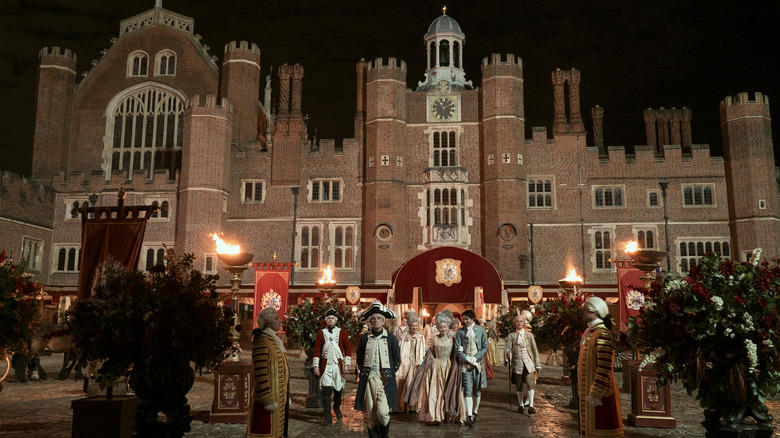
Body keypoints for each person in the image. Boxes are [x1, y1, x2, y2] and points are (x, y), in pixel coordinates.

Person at [354, 301, 401, 438]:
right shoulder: (364, 338)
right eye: (373, 318)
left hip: (384, 380)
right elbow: (360, 357)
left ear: (383, 321)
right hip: (369, 378)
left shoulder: (391, 339)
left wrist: (391, 374)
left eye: (378, 318)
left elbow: (396, 359)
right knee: (371, 413)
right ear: (370, 321)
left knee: (383, 412)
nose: (375, 321)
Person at [578, 297, 623, 437]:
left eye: (585, 310)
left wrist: (595, 393)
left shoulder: (602, 333)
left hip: (600, 395)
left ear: (595, 313)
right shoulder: (592, 332)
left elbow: (604, 367)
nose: (583, 313)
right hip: (589, 393)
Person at [248, 307, 289, 438]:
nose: (280, 321)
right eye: (277, 318)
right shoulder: (263, 341)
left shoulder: (273, 341)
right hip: (267, 401)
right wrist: (268, 399)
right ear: (269, 322)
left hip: (278, 398)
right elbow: (260, 372)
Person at [312, 308, 351, 426]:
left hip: (338, 366)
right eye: (328, 318)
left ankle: (337, 407)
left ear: (336, 320)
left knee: (338, 390)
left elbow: (348, 348)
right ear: (326, 320)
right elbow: (317, 350)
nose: (331, 320)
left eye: (333, 318)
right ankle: (327, 417)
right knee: (326, 392)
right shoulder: (321, 333)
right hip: (326, 366)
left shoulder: (342, 332)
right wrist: (316, 366)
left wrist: (347, 364)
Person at [418, 312, 458, 425]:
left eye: (445, 327)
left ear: (448, 327)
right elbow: (430, 353)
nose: (443, 329)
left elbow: (454, 354)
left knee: (448, 389)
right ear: (438, 328)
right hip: (436, 365)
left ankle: (447, 414)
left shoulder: (452, 338)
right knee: (436, 391)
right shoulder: (435, 339)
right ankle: (435, 415)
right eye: (441, 327)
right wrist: (424, 361)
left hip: (448, 366)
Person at [454, 309, 488, 427]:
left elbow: (485, 346)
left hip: (478, 364)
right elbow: (457, 348)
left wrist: (476, 358)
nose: (465, 321)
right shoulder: (460, 332)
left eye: (467, 319)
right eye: (463, 319)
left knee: (477, 389)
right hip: (465, 365)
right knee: (467, 389)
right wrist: (467, 359)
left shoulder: (481, 330)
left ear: (472, 319)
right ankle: (469, 415)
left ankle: (475, 411)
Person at [505, 312, 541, 414]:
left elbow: (535, 350)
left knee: (530, 383)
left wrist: (537, 363)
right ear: (514, 324)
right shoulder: (511, 335)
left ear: (524, 323)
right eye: (517, 322)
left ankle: (531, 406)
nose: (519, 323)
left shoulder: (529, 335)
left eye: (521, 321)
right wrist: (508, 354)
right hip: (517, 363)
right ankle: (520, 404)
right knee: (519, 384)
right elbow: (508, 347)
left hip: (529, 362)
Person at [397, 310, 427, 413]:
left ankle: (415, 405)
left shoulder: (421, 337)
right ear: (409, 326)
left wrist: (421, 361)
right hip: (407, 362)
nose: (414, 328)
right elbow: (401, 349)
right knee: (407, 382)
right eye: (412, 326)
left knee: (416, 382)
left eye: (416, 326)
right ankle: (406, 405)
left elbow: (423, 350)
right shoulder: (405, 337)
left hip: (417, 362)